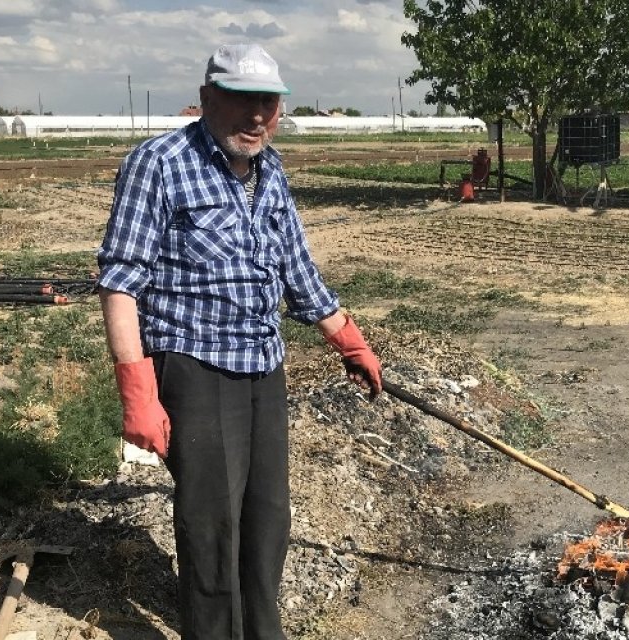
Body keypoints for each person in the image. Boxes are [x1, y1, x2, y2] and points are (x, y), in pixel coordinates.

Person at [96, 43, 383, 640]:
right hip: (194, 366)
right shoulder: (159, 163)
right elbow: (121, 280)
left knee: (267, 517)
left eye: (268, 103)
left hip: (262, 365)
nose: (256, 117)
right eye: (241, 101)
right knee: (210, 522)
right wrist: (137, 393)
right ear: (207, 100)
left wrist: (349, 341)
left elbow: (297, 269)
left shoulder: (269, 169)